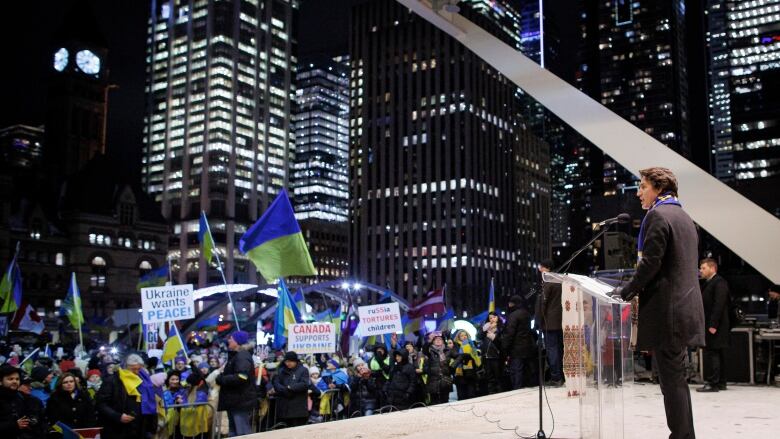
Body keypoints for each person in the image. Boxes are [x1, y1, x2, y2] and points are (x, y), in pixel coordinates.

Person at [615, 167, 705, 439]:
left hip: (669, 312)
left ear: (658, 187)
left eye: (643, 186)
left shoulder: (658, 215)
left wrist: (626, 291)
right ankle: (684, 435)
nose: (639, 192)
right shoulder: (685, 218)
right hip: (685, 308)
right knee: (675, 380)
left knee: (672, 381)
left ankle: (681, 436)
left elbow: (651, 263)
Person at [95, 353, 159, 439]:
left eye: (139, 369)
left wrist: (151, 428)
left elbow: (150, 402)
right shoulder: (112, 381)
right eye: (133, 369)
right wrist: (118, 416)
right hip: (117, 429)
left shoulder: (144, 380)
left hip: (139, 429)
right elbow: (101, 404)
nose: (136, 372)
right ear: (125, 367)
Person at [697, 258, 731, 392]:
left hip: (716, 326)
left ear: (713, 268)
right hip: (715, 325)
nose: (701, 271)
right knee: (717, 353)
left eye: (703, 268)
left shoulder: (719, 282)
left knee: (713, 353)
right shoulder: (710, 283)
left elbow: (719, 305)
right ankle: (721, 382)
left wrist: (713, 325)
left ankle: (713, 383)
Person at [215, 330, 256, 436]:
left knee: (241, 432)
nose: (228, 341)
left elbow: (242, 377)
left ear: (237, 342)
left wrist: (222, 379)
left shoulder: (242, 356)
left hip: (239, 401)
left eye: (231, 339)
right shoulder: (238, 356)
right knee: (234, 431)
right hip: (235, 401)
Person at [0, 364, 46, 439]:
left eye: (17, 379)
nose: (15, 381)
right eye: (10, 379)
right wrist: (14, 425)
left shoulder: (22, 397)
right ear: (1, 381)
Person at [538, 259, 564, 386]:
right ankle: (561, 376)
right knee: (559, 349)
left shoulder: (548, 282)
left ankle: (556, 377)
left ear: (546, 268)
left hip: (549, 322)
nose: (539, 269)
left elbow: (543, 303)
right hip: (561, 321)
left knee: (552, 350)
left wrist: (539, 320)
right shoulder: (560, 282)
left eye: (541, 267)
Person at [501, 295, 535, 390]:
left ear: (513, 303)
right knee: (526, 370)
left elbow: (510, 333)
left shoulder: (513, 315)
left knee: (516, 371)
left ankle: (517, 390)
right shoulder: (527, 314)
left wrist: (504, 346)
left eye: (510, 303)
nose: (508, 304)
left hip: (516, 348)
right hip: (527, 346)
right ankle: (526, 388)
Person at [270, 351, 309, 427]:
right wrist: (284, 389)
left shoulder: (303, 370)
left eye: (290, 361)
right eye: (286, 361)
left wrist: (290, 387)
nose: (288, 363)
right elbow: (276, 383)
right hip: (284, 407)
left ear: (295, 361)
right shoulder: (281, 370)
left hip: (298, 409)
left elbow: (304, 384)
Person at [423, 332, 453, 404]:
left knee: (445, 402)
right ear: (433, 341)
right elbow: (424, 349)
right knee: (434, 403)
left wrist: (452, 367)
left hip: (445, 380)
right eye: (436, 339)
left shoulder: (448, 350)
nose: (438, 340)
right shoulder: (429, 351)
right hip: (433, 381)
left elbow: (459, 356)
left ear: (443, 341)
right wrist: (430, 371)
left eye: (440, 339)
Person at [478, 312, 504, 394]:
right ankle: (491, 394)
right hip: (487, 357)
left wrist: (494, 337)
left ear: (497, 318)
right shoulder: (486, 329)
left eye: (494, 317)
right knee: (489, 378)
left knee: (498, 377)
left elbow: (502, 343)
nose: (492, 319)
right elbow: (479, 337)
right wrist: (483, 329)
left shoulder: (501, 329)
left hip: (497, 357)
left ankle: (500, 393)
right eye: (490, 318)